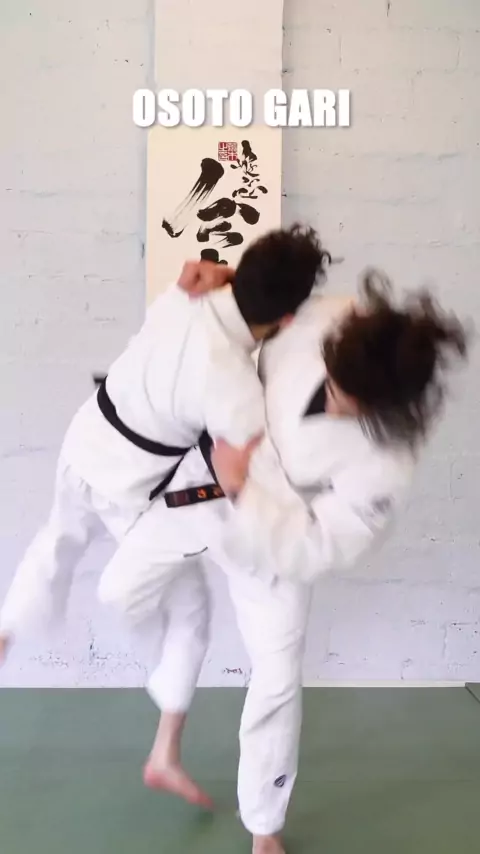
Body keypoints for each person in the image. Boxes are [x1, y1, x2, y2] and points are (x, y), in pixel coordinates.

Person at [93, 267, 467, 854]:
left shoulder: (389, 464)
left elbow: (323, 546)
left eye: (350, 405)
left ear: (391, 409)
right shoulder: (327, 317)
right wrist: (226, 288)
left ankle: (263, 827)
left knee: (277, 675)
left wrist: (244, 490)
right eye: (334, 384)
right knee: (120, 595)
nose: (334, 401)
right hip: (202, 478)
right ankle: (167, 745)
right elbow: (251, 319)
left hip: (276, 535)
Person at [0, 224, 329, 658]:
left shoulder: (184, 294)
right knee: (184, 600)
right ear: (287, 321)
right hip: (125, 482)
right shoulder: (236, 387)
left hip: (82, 441)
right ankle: (168, 689)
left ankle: (6, 629)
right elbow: (247, 470)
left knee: (57, 539)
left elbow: (202, 284)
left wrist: (232, 279)